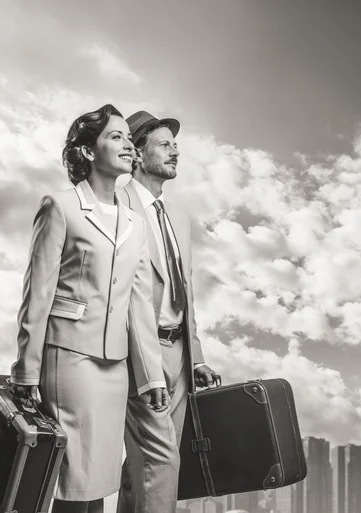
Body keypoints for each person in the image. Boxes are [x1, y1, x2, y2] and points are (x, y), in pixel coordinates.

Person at [9, 104, 170, 513]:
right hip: (70, 360)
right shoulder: (59, 206)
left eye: (128, 139)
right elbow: (38, 293)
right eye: (115, 137)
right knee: (71, 479)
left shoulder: (135, 222)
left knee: (98, 480)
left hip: (114, 367)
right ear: (85, 151)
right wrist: (27, 368)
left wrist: (150, 377)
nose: (128, 146)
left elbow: (139, 304)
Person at [116, 110, 219, 513]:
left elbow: (184, 289)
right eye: (164, 145)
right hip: (139, 352)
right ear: (137, 153)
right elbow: (118, 292)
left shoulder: (177, 215)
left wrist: (196, 356)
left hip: (179, 355)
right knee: (162, 463)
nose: (175, 152)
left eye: (176, 145)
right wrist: (146, 367)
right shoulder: (116, 202)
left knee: (143, 469)